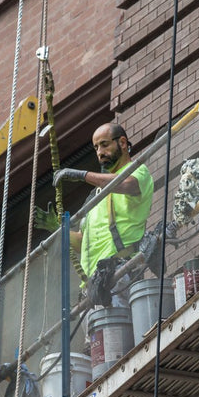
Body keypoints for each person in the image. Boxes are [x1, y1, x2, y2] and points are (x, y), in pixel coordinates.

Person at [51, 123, 154, 303]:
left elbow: (127, 183)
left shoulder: (138, 170)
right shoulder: (96, 196)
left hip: (118, 274)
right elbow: (83, 241)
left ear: (122, 143)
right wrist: (55, 228)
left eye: (105, 144)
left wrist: (82, 175)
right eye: (96, 147)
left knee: (119, 331)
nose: (99, 152)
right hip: (92, 288)